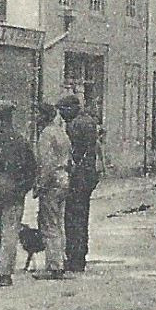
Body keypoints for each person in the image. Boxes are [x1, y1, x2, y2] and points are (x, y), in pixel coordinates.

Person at [0, 99, 36, 288]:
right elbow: (31, 169)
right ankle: (5, 274)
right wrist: (22, 189)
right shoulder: (20, 140)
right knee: (9, 233)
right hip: (13, 191)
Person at [57, 93, 99, 274]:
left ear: (72, 108)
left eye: (63, 110)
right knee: (81, 217)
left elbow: (73, 152)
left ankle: (74, 258)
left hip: (78, 177)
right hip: (88, 175)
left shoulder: (76, 125)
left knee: (73, 218)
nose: (62, 115)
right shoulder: (87, 121)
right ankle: (79, 256)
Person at [32, 101, 72, 280]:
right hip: (63, 178)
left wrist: (40, 184)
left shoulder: (46, 135)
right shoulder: (61, 132)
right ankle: (60, 260)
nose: (35, 117)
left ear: (44, 116)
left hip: (52, 181)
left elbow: (46, 163)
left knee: (49, 223)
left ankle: (54, 265)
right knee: (59, 221)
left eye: (38, 114)